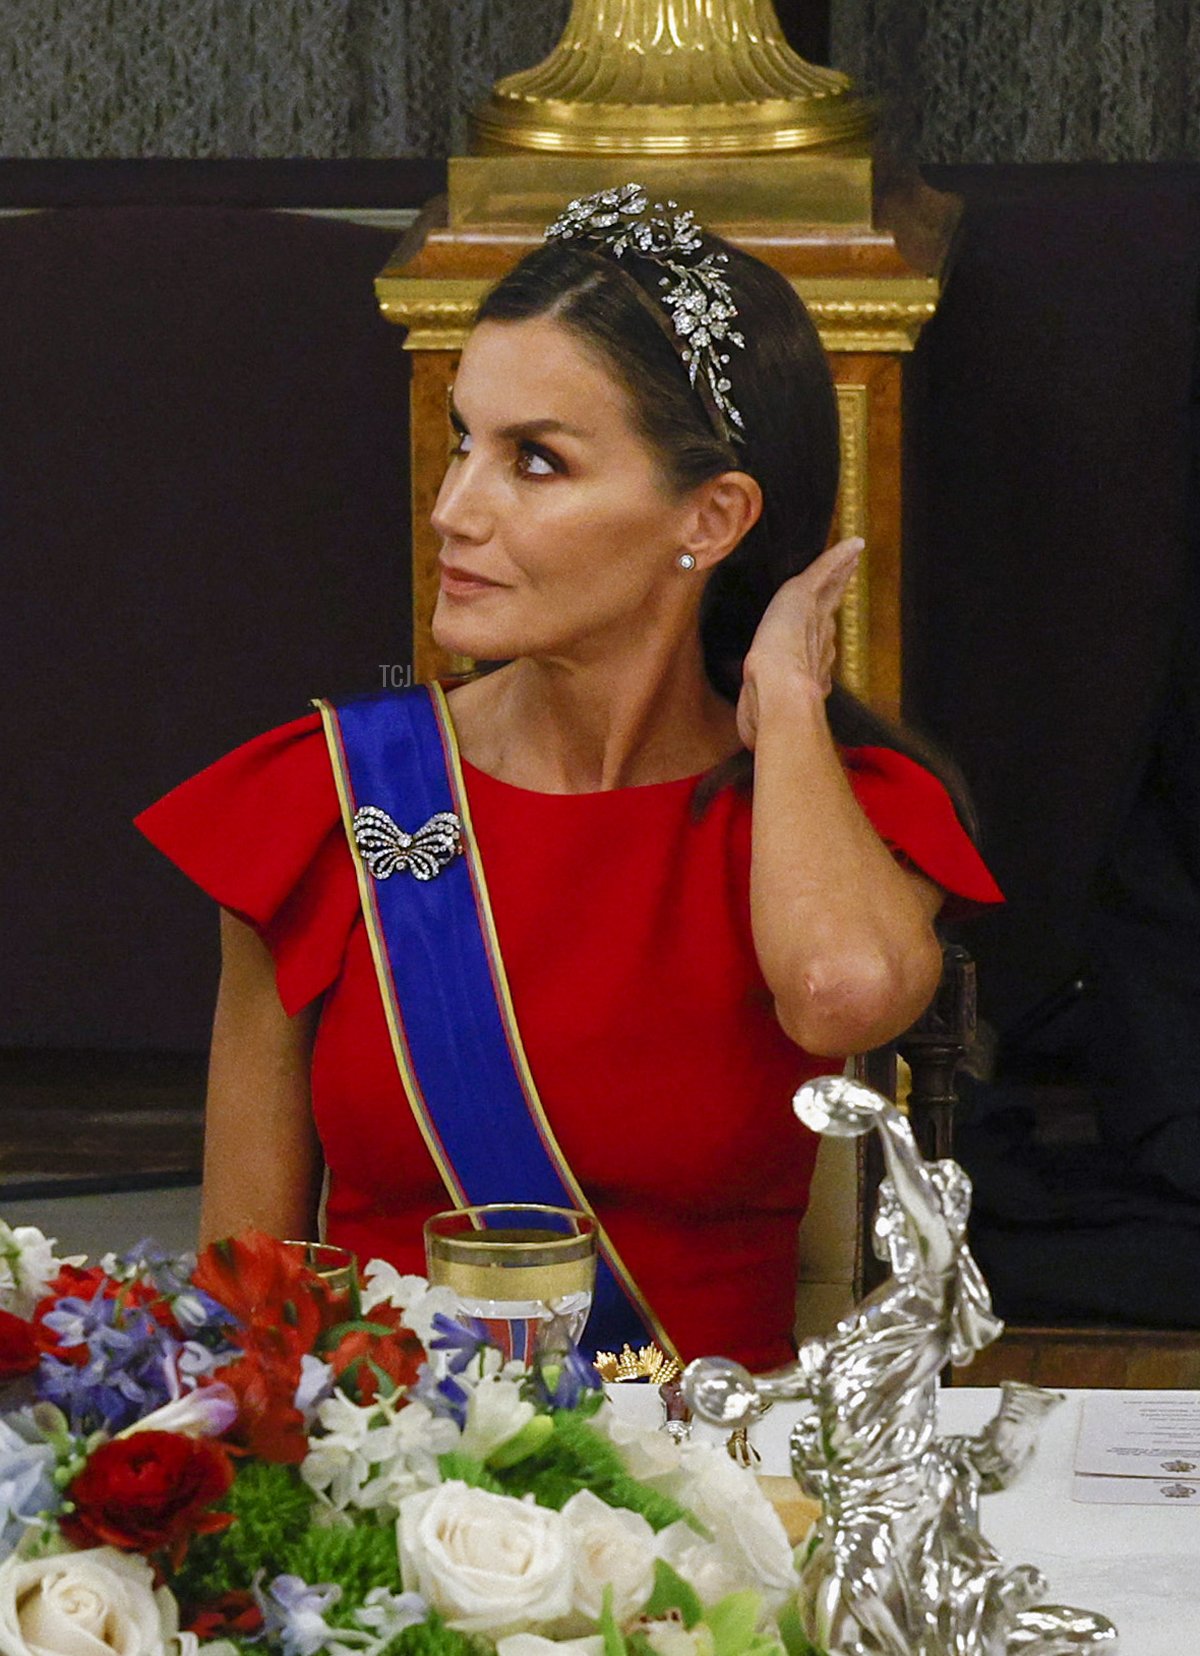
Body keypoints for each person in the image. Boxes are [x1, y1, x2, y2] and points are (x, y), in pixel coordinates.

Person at [136, 183, 1001, 1370]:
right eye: (464, 442)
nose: (453, 510)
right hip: (390, 1468)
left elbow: (843, 994)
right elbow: (248, 1301)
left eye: (534, 462)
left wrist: (790, 697)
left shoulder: (833, 813)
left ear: (711, 516)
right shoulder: (327, 799)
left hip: (718, 1479)